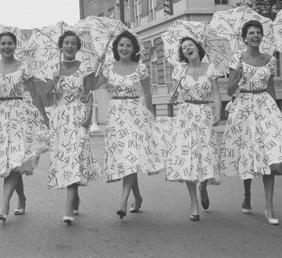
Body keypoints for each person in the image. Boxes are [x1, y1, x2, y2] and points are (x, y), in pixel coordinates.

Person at [220, 20, 282, 226]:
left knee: (269, 155)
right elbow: (229, 91)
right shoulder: (237, 58)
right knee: (248, 155)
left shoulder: (269, 59)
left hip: (265, 107)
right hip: (244, 107)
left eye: (258, 32)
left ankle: (269, 206)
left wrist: (276, 115)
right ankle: (247, 194)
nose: (255, 35)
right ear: (244, 38)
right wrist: (239, 79)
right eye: (251, 32)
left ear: (262, 37)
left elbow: (271, 88)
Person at [92, 30, 162, 219]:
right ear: (116, 48)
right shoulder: (108, 68)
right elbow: (92, 86)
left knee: (131, 156)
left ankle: (123, 201)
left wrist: (150, 115)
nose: (124, 48)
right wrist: (96, 65)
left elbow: (147, 93)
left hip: (136, 114)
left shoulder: (140, 68)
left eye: (128, 45)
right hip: (116, 115)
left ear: (134, 49)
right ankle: (137, 197)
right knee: (127, 158)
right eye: (121, 45)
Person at [0, 31, 49, 223]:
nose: (6, 46)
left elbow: (35, 94)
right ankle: (22, 198)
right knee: (11, 164)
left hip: (19, 117)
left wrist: (44, 115)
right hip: (1, 117)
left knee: (14, 162)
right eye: (3, 43)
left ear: (15, 45)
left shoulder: (23, 67)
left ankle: (5, 205)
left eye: (10, 43)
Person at [46, 30, 101, 225]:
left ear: (77, 47)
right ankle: (74, 197)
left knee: (75, 157)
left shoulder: (85, 68)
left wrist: (88, 115)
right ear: (61, 46)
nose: (69, 46)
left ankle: (68, 208)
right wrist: (52, 82)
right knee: (66, 159)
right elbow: (48, 97)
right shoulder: (55, 70)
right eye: (66, 43)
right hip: (60, 118)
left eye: (73, 43)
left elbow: (89, 94)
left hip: (78, 116)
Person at [167, 37, 222, 221]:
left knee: (205, 155)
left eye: (190, 45)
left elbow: (215, 92)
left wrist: (218, 112)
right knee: (188, 157)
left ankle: (204, 187)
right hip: (186, 115)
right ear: (183, 54)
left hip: (205, 113)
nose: (188, 48)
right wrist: (173, 98)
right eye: (184, 48)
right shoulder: (180, 70)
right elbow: (174, 93)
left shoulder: (211, 68)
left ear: (197, 48)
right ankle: (194, 202)